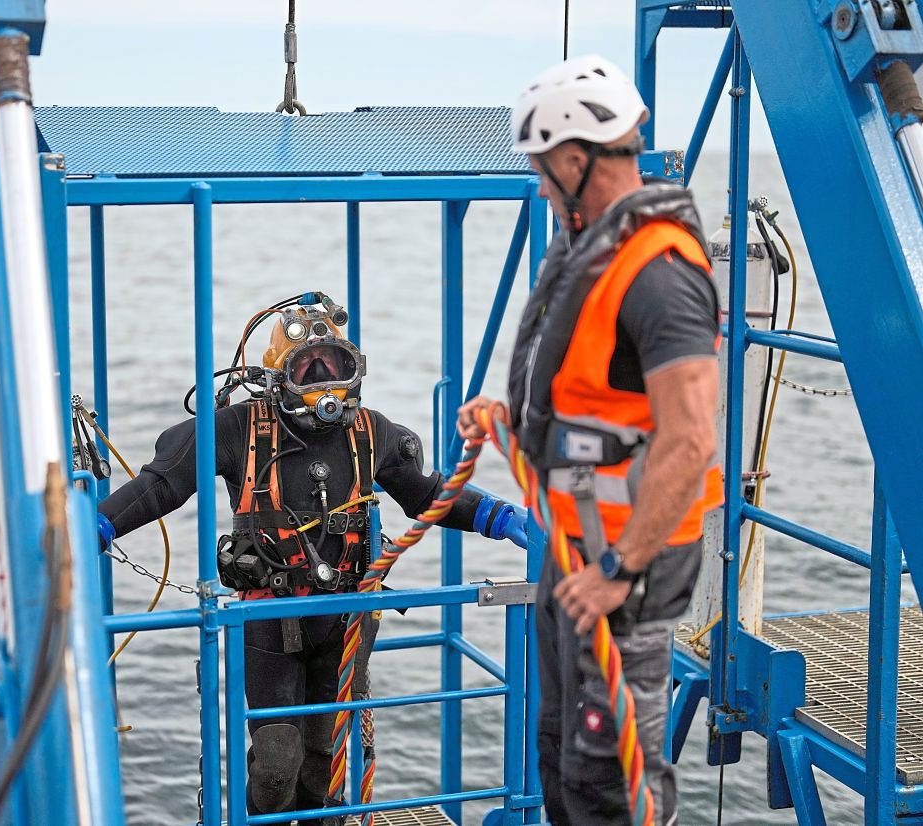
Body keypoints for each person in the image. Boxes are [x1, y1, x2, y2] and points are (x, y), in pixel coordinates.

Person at [95, 292, 529, 824]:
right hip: (269, 617)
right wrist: (101, 523)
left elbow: (428, 492)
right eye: (308, 368)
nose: (325, 382)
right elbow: (163, 485)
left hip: (344, 618)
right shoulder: (238, 430)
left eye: (336, 366)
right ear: (280, 378)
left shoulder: (371, 432)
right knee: (276, 763)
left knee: (324, 758)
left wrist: (501, 518)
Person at [458, 55, 722, 826]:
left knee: (612, 782)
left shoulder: (660, 274)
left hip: (625, 568)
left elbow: (690, 439)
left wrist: (618, 568)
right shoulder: (592, 246)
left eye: (543, 168)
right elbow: (594, 398)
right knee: (560, 755)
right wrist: (509, 424)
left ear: (578, 159)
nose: (540, 183)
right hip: (576, 546)